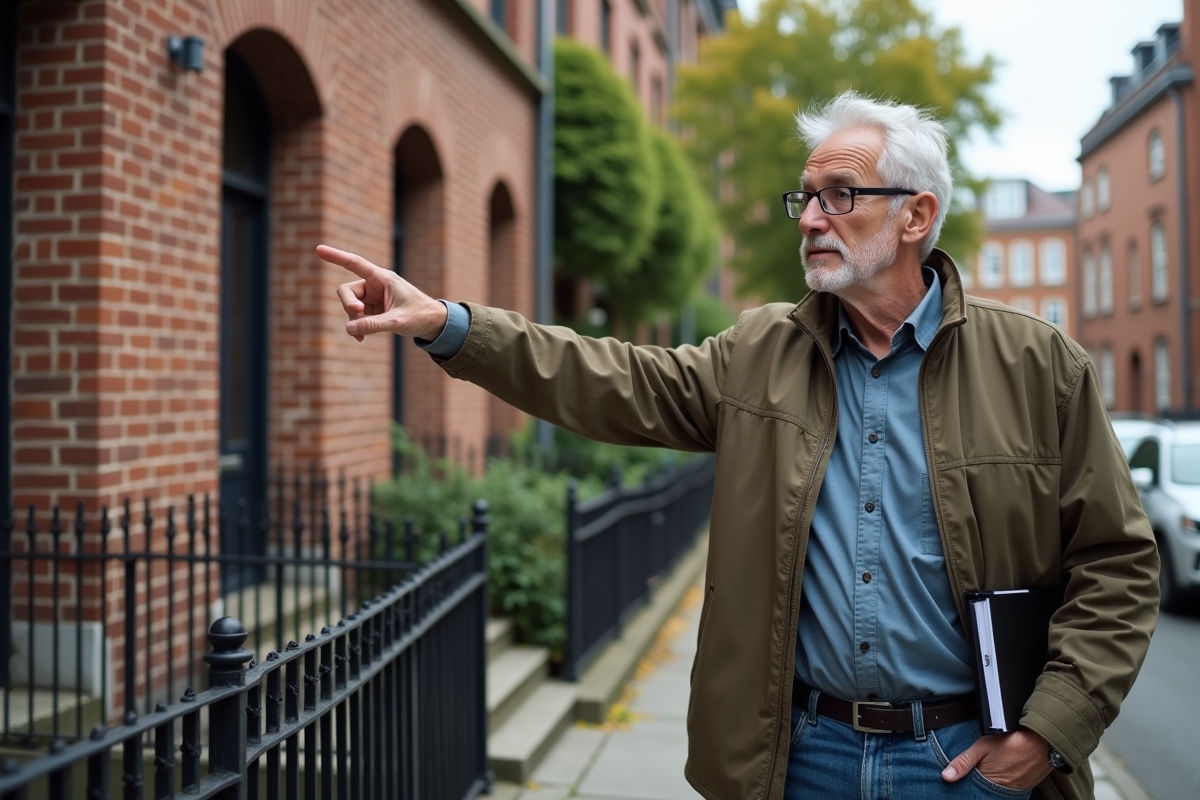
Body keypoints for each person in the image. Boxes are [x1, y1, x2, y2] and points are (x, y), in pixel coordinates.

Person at [323, 92, 1159, 800]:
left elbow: (1119, 563)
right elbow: (607, 376)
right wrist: (449, 327)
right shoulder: (760, 352)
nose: (814, 219)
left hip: (965, 759)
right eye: (807, 198)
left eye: (841, 194)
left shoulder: (1038, 365)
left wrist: (1046, 731)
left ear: (917, 216)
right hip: (804, 758)